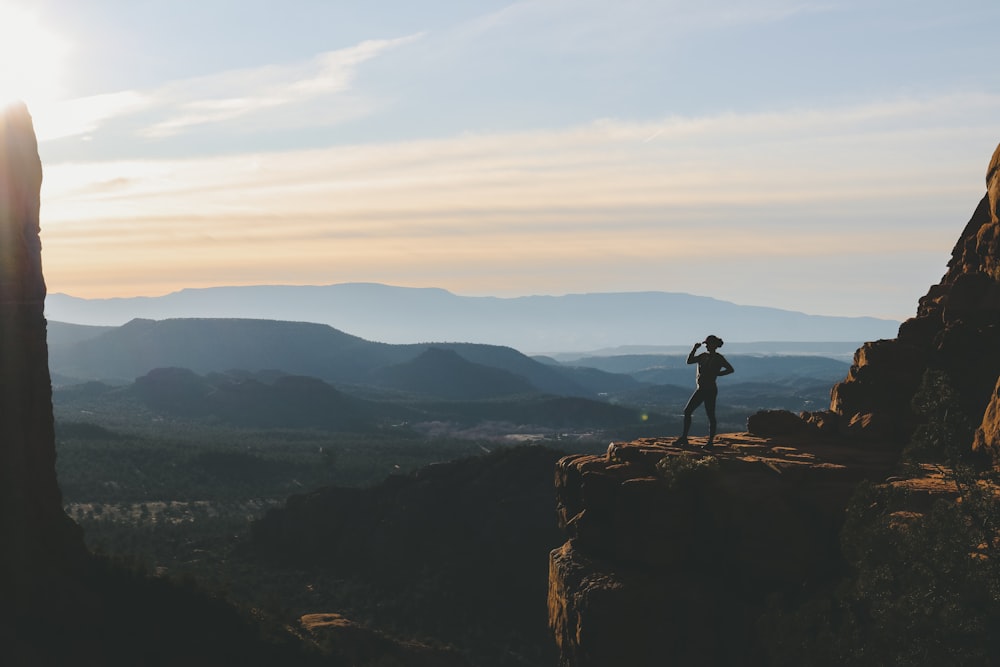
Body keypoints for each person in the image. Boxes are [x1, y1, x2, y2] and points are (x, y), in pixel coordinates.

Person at [673, 335, 734, 448]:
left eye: (708, 344)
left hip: (710, 390)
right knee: (687, 411)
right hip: (701, 389)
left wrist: (718, 374)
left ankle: (710, 442)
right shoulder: (703, 356)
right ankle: (685, 438)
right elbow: (689, 361)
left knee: (710, 415)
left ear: (714, 345)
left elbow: (730, 369)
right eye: (706, 344)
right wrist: (694, 349)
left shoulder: (719, 358)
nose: (706, 346)